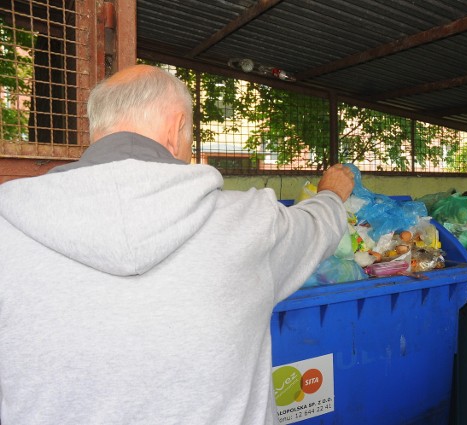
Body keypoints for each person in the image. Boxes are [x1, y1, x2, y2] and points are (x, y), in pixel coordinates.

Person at [0, 64, 354, 424]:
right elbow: (316, 228)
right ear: (175, 128)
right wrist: (331, 192)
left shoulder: (7, 228)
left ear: (97, 130)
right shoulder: (250, 221)